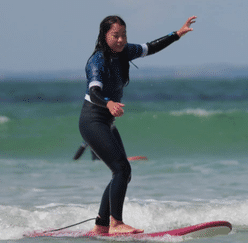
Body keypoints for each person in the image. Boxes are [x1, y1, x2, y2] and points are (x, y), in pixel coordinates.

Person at [79, 15, 196, 235]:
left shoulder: (124, 52)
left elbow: (150, 47)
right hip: (92, 120)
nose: (121, 40)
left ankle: (101, 225)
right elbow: (94, 92)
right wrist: (109, 102)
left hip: (106, 122)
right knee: (122, 169)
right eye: (115, 35)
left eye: (124, 35)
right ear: (104, 36)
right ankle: (116, 224)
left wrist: (176, 34)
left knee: (121, 172)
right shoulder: (96, 61)